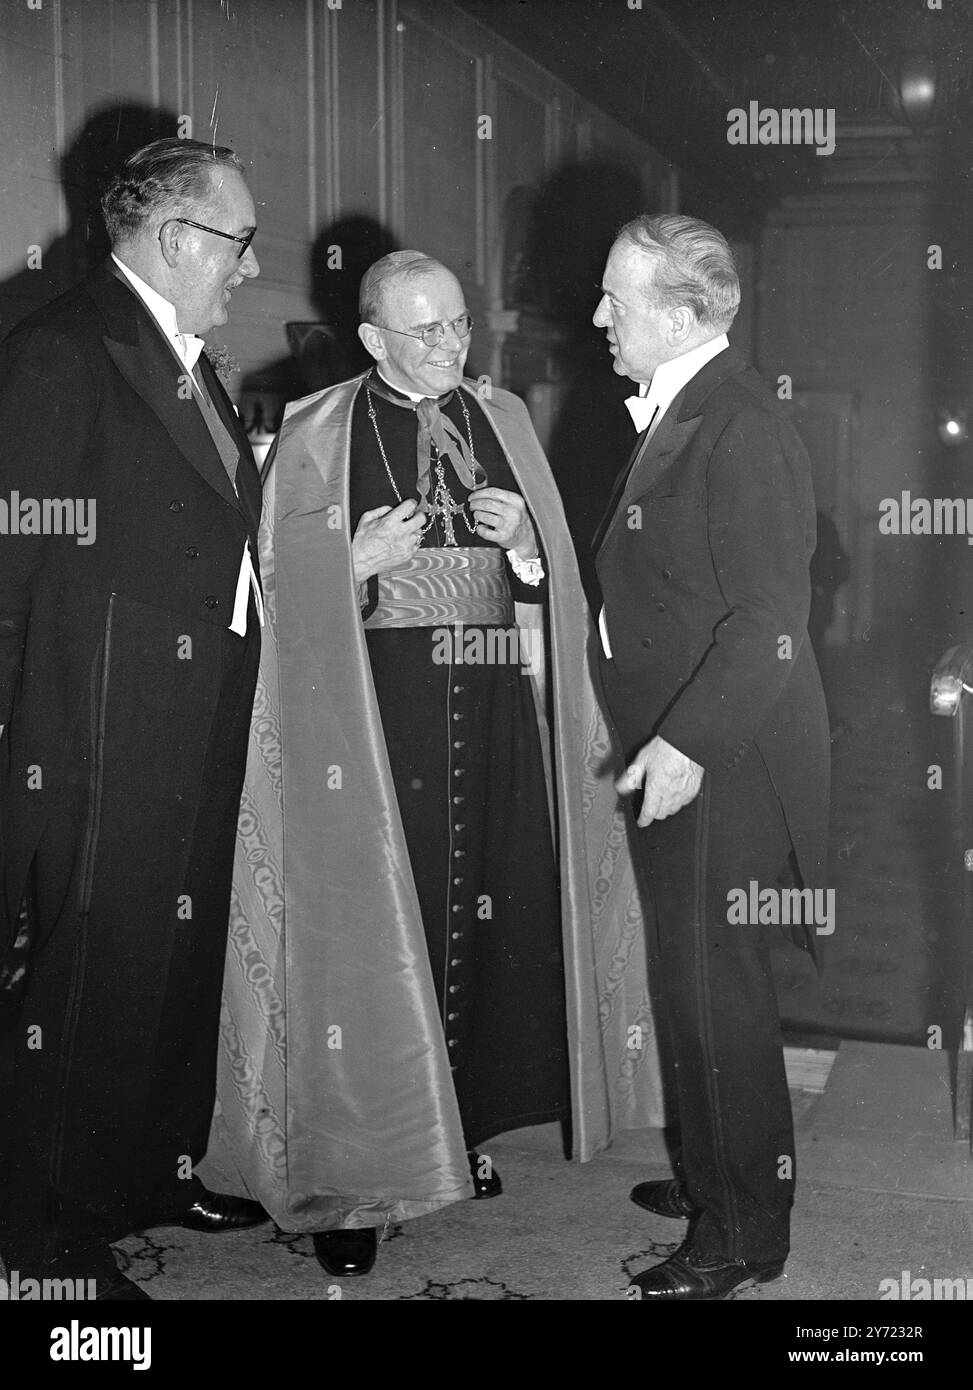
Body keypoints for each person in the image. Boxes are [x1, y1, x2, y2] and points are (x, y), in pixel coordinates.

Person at [213, 250, 655, 1279]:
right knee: (371, 926)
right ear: (372, 340)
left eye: (459, 325)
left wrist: (530, 550)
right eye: (426, 332)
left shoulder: (500, 416)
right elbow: (264, 580)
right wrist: (347, 560)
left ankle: (459, 1132)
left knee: (477, 903)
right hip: (372, 715)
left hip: (489, 701)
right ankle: (357, 1179)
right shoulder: (319, 428)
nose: (452, 346)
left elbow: (557, 573)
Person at [0, 138, 269, 1300]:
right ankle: (47, 1228)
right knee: (91, 977)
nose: (251, 268)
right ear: (175, 238)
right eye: (240, 243)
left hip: (196, 720)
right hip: (99, 730)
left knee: (176, 956)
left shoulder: (188, 360)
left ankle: (154, 1169)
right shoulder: (63, 349)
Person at [591, 214, 830, 1301]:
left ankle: (743, 1233)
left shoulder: (742, 426)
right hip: (683, 753)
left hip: (723, 760)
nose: (598, 316)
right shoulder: (684, 411)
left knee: (716, 992)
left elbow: (770, 622)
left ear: (679, 316)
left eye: (616, 301)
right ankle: (710, 1179)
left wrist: (682, 741)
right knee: (688, 985)